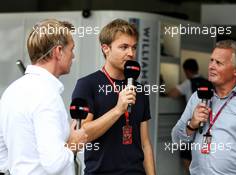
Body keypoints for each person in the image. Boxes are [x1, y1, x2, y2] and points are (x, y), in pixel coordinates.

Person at [0, 19, 88, 175]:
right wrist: (74, 143)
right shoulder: (47, 96)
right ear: (58, 51)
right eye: (71, 49)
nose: (73, 56)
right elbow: (54, 164)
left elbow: (2, 156)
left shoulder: (11, 92)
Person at [72, 19, 156, 175]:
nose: (130, 53)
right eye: (124, 47)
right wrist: (118, 109)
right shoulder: (87, 84)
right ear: (106, 48)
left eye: (133, 47)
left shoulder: (139, 89)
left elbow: (145, 143)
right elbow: (82, 134)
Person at [171, 40, 236, 175]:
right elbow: (176, 140)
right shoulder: (197, 97)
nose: (211, 66)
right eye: (211, 60)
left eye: (218, 63)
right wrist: (191, 125)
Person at [168, 58, 206, 175]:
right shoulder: (207, 82)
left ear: (187, 71)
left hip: (191, 124)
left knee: (186, 157)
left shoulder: (189, 82)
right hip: (205, 124)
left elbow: (173, 93)